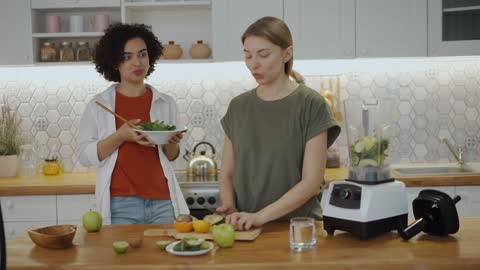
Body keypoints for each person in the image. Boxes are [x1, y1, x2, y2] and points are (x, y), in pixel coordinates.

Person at [218, 16, 341, 231]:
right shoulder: (238, 107)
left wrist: (259, 217)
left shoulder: (312, 104)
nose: (253, 64)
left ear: (287, 53)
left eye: (263, 55)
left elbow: (311, 182)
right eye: (247, 56)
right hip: (246, 229)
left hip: (300, 229)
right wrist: (229, 206)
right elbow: (227, 173)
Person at [77, 23, 189, 225]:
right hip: (120, 204)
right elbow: (85, 156)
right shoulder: (99, 105)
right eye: (127, 57)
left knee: (164, 255)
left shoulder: (166, 102)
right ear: (114, 63)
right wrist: (120, 136)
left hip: (163, 202)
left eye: (142, 54)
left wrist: (170, 140)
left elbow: (171, 156)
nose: (137, 62)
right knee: (123, 257)